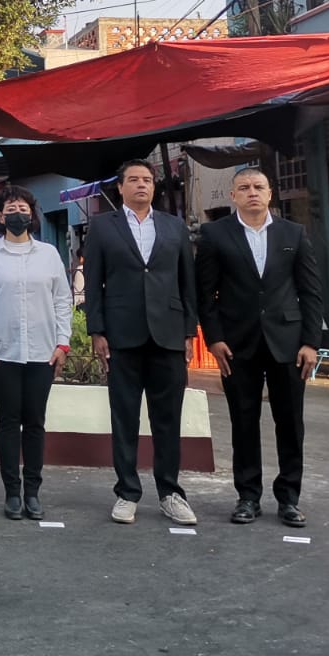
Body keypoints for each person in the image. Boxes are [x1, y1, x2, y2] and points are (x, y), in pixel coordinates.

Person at [196, 168, 323, 528]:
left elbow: (310, 292)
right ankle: (248, 496)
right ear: (233, 196)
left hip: (288, 343)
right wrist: (215, 338)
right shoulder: (215, 235)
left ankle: (289, 499)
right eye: (244, 188)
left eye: (258, 187)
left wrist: (311, 342)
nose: (252, 193)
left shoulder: (293, 234)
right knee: (244, 422)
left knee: (290, 424)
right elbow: (205, 295)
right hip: (237, 345)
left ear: (270, 194)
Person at [82, 159, 198, 526]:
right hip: (122, 334)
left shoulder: (174, 226)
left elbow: (187, 282)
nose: (141, 186)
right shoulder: (102, 228)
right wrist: (97, 332)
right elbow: (94, 283)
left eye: (147, 180)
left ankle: (170, 493)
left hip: (167, 334)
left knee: (168, 420)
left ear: (154, 186)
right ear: (120, 187)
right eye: (133, 180)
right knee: (125, 418)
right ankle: (127, 492)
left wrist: (188, 332)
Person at [0, 186, 71, 521]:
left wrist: (62, 343)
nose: (17, 213)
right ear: (0, 216)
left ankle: (33, 492)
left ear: (32, 214)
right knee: (9, 422)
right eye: (10, 208)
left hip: (43, 352)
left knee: (36, 423)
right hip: (2, 353)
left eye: (23, 208)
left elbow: (62, 302)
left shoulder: (49, 255)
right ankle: (12, 493)